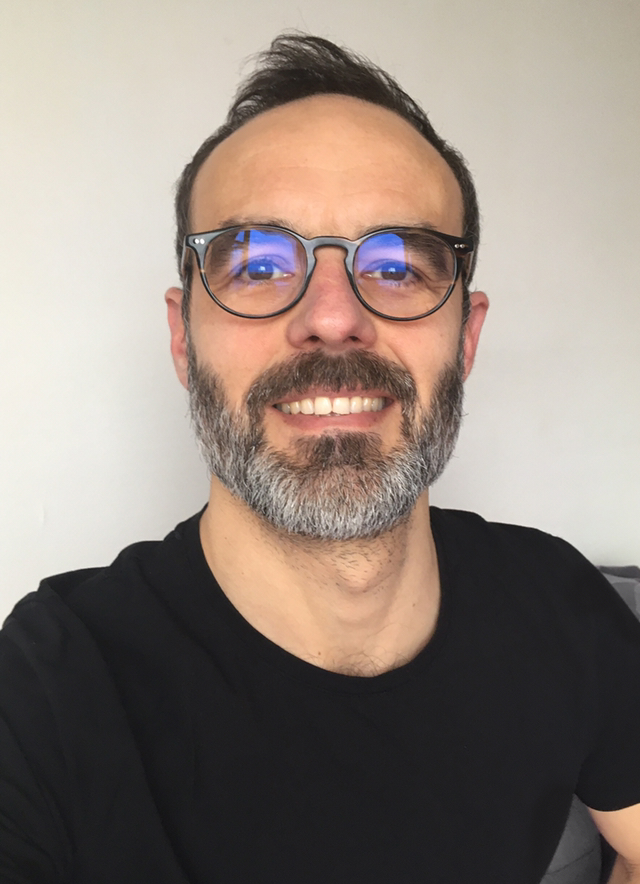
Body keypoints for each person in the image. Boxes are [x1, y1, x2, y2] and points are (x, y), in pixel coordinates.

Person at [1, 33, 639, 884]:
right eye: (259, 265)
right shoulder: (49, 695)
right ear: (183, 339)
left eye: (399, 267)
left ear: (467, 338)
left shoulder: (562, 607)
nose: (334, 317)